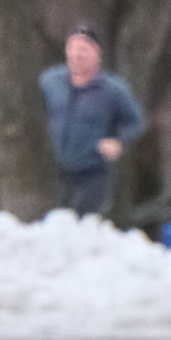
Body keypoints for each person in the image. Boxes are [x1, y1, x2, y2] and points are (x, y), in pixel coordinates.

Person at [40, 22, 146, 218]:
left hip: (92, 171)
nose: (76, 55)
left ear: (97, 54)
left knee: (84, 225)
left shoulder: (112, 90)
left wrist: (118, 141)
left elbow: (135, 122)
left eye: (83, 49)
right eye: (71, 48)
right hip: (53, 172)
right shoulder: (49, 82)